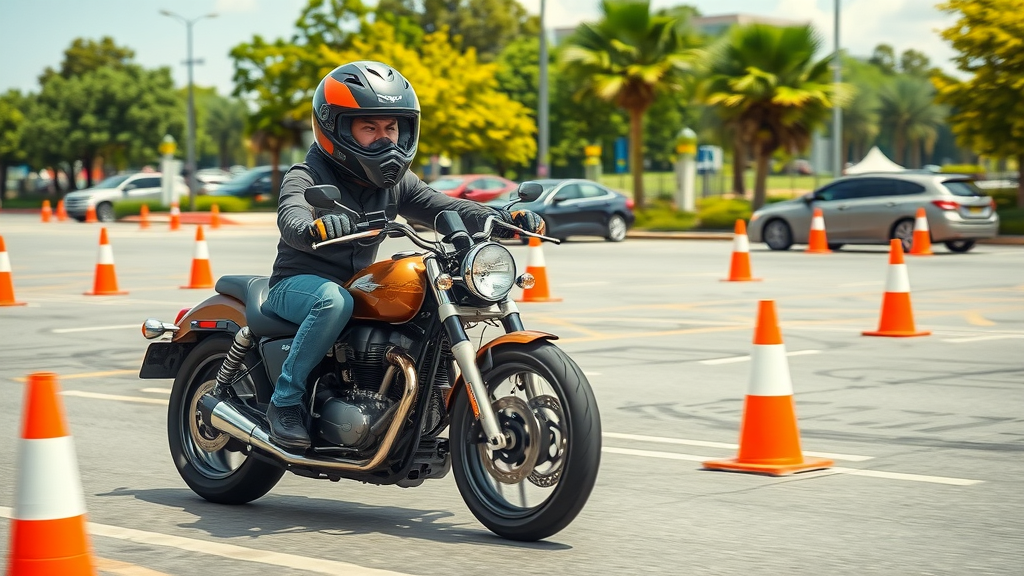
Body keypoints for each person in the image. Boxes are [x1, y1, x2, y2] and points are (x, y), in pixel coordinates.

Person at [262, 61, 545, 449]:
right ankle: (286, 401)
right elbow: (291, 216)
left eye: (392, 127)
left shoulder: (396, 184)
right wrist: (313, 226)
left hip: (353, 286)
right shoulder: (307, 174)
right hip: (298, 286)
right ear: (336, 128)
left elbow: (446, 205)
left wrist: (501, 216)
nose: (385, 139)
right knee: (331, 302)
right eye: (370, 128)